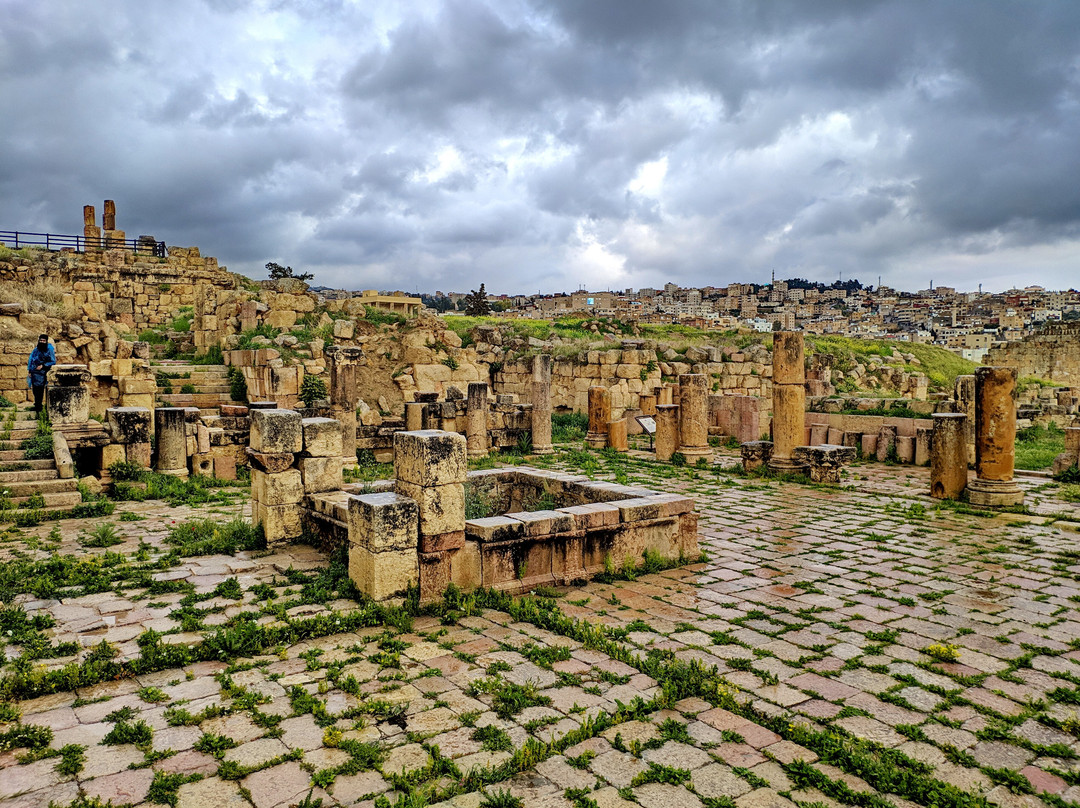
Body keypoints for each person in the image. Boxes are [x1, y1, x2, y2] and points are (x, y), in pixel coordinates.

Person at [27, 334, 56, 415]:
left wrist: (43, 366)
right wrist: (29, 370)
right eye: (40, 340)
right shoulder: (36, 349)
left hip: (42, 373)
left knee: (40, 389)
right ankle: (37, 404)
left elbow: (53, 361)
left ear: (46, 341)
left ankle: (39, 408)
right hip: (34, 372)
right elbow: (31, 359)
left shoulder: (49, 349)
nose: (42, 342)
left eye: (43, 341)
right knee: (35, 389)